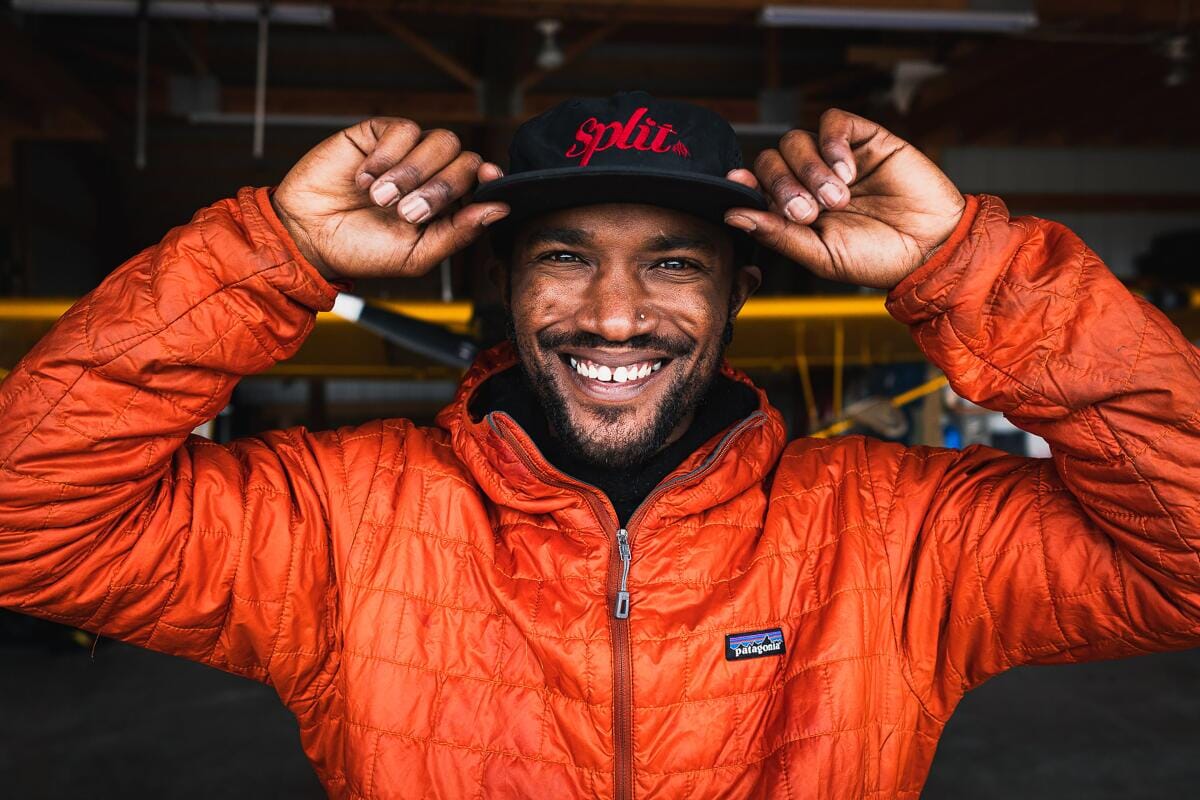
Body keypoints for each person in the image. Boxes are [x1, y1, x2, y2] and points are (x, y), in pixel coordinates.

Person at [0, 90, 1197, 799]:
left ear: (736, 288)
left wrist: (969, 268)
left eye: (672, 261)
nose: (616, 315)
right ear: (502, 281)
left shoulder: (901, 534)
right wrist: (270, 251)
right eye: (567, 253)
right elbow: (24, 521)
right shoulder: (341, 516)